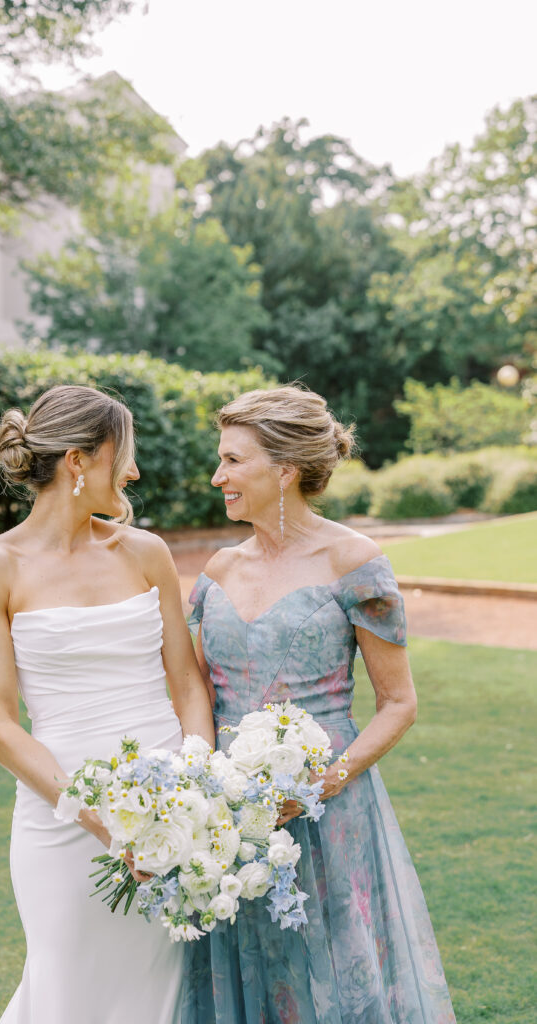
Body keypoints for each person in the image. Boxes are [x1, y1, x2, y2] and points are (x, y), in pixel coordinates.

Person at [182, 385, 456, 1024]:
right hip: (230, 811)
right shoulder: (218, 570)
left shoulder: (354, 562)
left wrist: (316, 786)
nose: (218, 477)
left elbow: (398, 702)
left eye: (233, 460)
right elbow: (198, 692)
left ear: (285, 470)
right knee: (248, 958)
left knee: (333, 963)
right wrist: (198, 787)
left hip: (331, 807)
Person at [0, 384, 214, 1024]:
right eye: (123, 455)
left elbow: (187, 684)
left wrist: (194, 785)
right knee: (66, 986)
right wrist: (97, 819)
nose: (134, 471)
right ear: (78, 461)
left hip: (168, 813)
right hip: (60, 818)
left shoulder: (147, 553)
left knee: (158, 991)